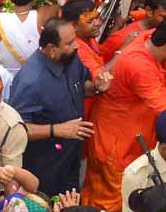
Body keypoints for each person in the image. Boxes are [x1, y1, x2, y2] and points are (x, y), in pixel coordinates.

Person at [84, 13, 166, 209]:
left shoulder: (154, 38)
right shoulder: (139, 66)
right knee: (112, 205)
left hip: (135, 141)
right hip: (117, 146)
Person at [10, 18, 107, 197]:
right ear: (51, 49)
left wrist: (95, 87)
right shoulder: (31, 81)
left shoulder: (71, 59)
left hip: (70, 158)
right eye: (69, 43)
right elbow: (17, 130)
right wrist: (57, 130)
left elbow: (81, 84)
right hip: (45, 167)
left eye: (75, 39)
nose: (77, 46)